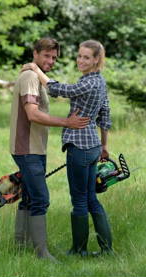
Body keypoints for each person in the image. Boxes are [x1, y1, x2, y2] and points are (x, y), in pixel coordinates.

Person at [23, 39, 113, 257]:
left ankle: (79, 250)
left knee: (80, 199)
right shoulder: (99, 81)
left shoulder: (89, 82)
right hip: (92, 147)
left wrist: (36, 69)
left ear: (96, 60)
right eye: (79, 55)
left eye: (86, 57)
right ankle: (106, 250)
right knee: (91, 198)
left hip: (80, 148)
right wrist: (104, 145)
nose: (80, 60)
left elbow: (58, 89)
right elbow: (105, 113)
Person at [9, 37, 90, 261]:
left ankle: (20, 244)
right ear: (35, 53)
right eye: (46, 56)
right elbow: (33, 114)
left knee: (28, 196)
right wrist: (67, 122)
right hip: (27, 149)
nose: (51, 61)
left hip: (34, 148)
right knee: (41, 199)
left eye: (54, 57)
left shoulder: (35, 76)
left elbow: (54, 89)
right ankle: (41, 252)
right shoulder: (29, 78)